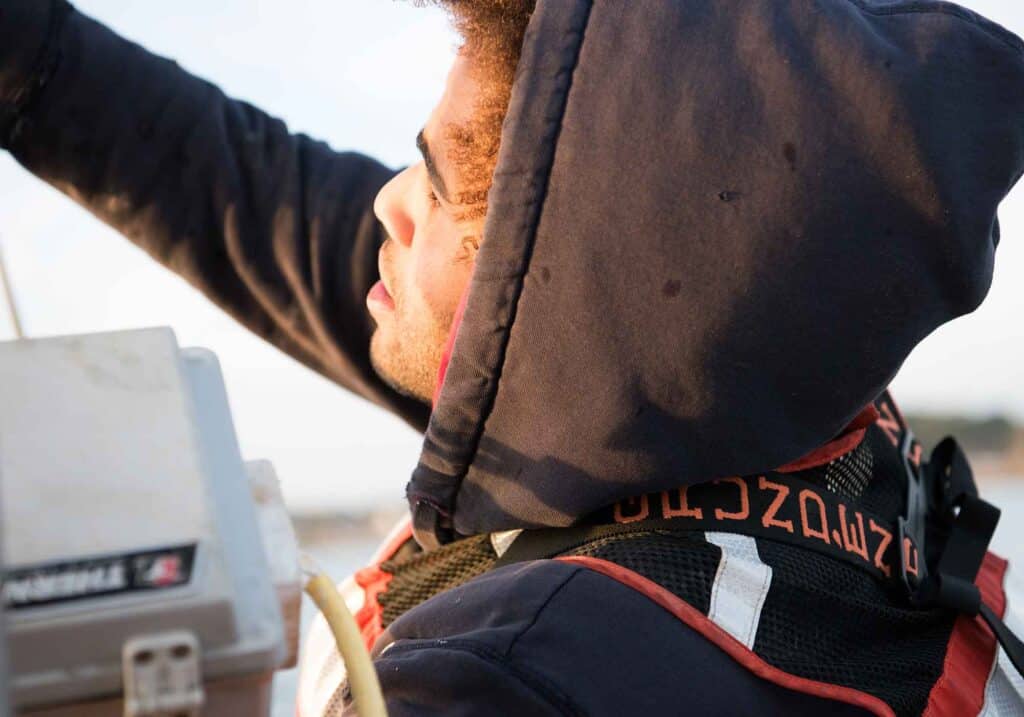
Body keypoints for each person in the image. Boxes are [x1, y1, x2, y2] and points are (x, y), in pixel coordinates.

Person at [3, 1, 1024, 714]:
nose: (382, 206)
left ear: (561, 300)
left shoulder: (506, 682)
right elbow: (245, 190)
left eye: (438, 188)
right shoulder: (761, 394)